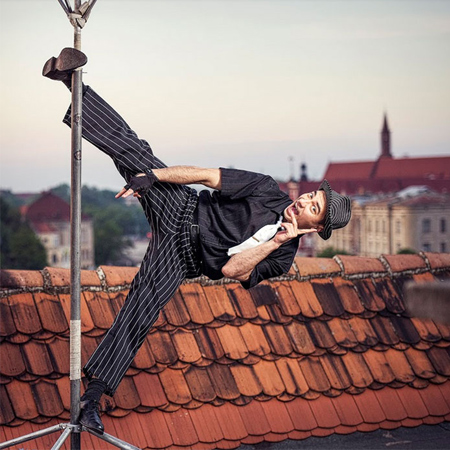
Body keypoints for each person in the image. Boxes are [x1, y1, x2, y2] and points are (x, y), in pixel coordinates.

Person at [43, 48, 352, 434]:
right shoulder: (267, 189)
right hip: (183, 208)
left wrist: (275, 241)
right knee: (139, 154)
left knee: (143, 308)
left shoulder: (282, 258)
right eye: (312, 195)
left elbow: (230, 269)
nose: (306, 200)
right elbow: (207, 176)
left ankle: (92, 399)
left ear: (316, 226)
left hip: (183, 258)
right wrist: (154, 178)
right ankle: (73, 84)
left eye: (314, 206)